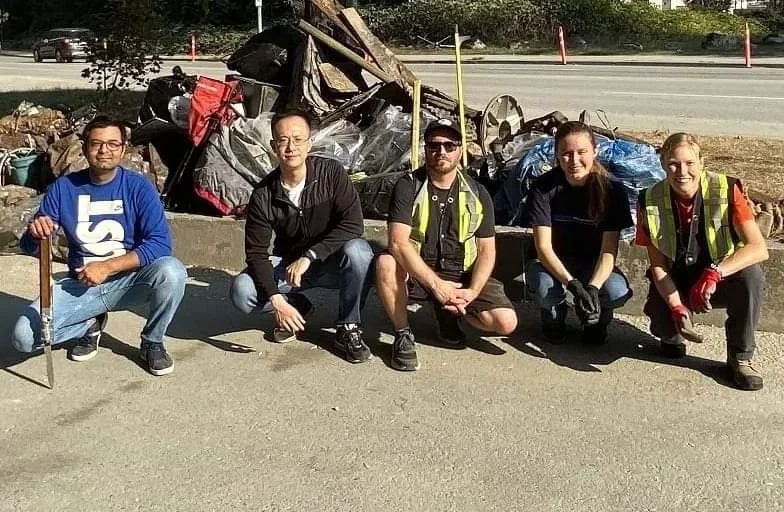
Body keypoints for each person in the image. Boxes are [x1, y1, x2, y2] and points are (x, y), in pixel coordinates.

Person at [13, 117, 187, 376]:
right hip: (81, 285)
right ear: (84, 148)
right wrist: (35, 233)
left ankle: (153, 341)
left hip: (129, 281)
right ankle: (89, 325)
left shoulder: (138, 187)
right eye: (96, 143)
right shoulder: (64, 188)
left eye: (112, 144)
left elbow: (161, 244)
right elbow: (29, 246)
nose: (104, 150)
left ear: (123, 149)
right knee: (23, 338)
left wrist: (107, 267)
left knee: (172, 272)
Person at [230, 108, 374, 364]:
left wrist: (311, 255)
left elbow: (353, 224)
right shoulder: (264, 194)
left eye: (298, 139)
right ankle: (295, 305)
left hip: (331, 262)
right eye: (283, 140)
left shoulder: (331, 174)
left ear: (310, 143)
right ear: (274, 146)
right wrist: (276, 300)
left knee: (359, 251)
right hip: (290, 269)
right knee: (242, 291)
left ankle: (348, 326)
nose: (290, 147)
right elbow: (256, 254)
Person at [375, 118, 517, 371]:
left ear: (460, 150)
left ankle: (451, 313)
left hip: (461, 271)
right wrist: (437, 286)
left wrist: (472, 291)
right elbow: (397, 243)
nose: (441, 152)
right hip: (418, 271)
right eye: (434, 145)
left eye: (450, 146)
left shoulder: (478, 192)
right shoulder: (408, 186)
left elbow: (487, 250)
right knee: (386, 263)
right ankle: (403, 333)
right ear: (425, 149)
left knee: (505, 323)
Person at [636, 132, 769, 391]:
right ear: (663, 163)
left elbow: (758, 248)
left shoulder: (727, 189)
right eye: (673, 163)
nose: (681, 171)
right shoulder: (649, 199)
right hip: (677, 280)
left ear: (701, 162)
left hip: (719, 277)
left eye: (689, 163)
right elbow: (658, 267)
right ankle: (673, 333)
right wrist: (676, 306)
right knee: (667, 333)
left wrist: (714, 274)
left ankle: (740, 359)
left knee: (752, 277)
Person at [526, 121, 634, 343]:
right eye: (566, 154)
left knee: (614, 290)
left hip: (593, 263)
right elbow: (543, 247)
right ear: (557, 156)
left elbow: (608, 251)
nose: (574, 161)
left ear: (595, 151)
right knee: (545, 288)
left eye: (581, 152)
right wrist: (572, 285)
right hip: (553, 263)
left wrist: (592, 288)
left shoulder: (613, 190)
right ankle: (554, 316)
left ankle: (599, 318)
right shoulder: (543, 188)